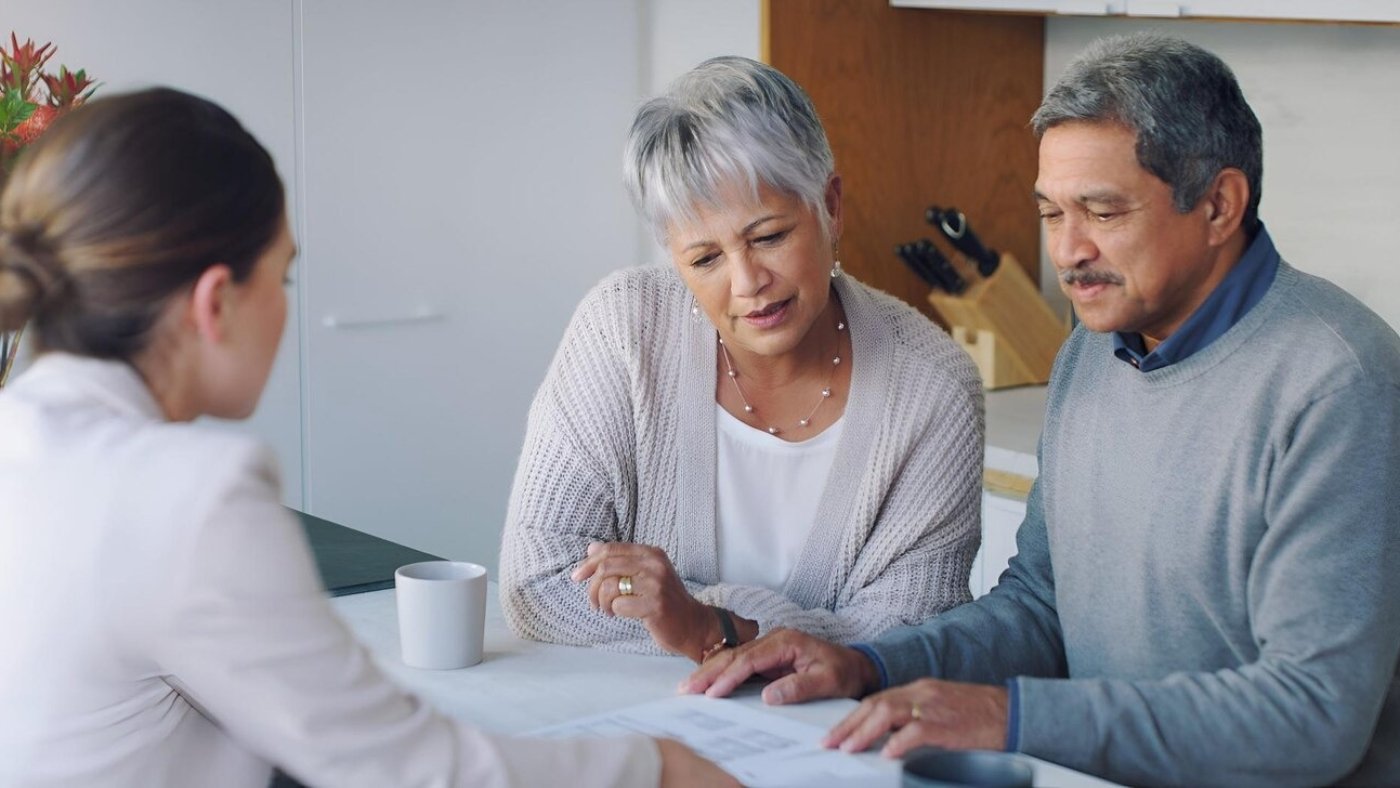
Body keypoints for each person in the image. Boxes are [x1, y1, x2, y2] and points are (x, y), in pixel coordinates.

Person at [681, 33, 1400, 787]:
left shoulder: (1338, 385)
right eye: (1051, 213)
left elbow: (1314, 715)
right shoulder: (1093, 351)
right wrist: (869, 663)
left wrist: (1012, 717)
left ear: (1219, 204)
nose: (1067, 251)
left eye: (1102, 211)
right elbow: (1040, 605)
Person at [0, 88, 732, 788]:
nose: (285, 312)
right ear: (216, 301)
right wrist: (653, 770)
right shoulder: (187, 496)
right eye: (282, 280)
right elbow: (404, 770)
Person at [498, 56, 983, 662]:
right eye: (705, 259)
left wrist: (710, 626)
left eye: (769, 237)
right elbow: (539, 587)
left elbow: (908, 637)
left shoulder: (933, 388)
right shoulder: (623, 329)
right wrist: (788, 630)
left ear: (830, 208)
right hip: (642, 726)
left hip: (827, 737)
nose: (748, 281)